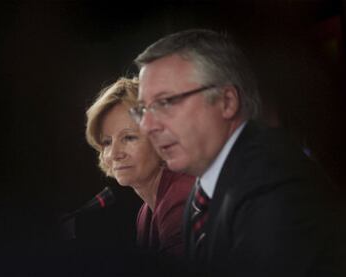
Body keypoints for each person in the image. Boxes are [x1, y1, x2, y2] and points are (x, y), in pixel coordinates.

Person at [130, 29, 344, 276]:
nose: (147, 126)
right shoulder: (200, 197)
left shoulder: (274, 183)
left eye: (165, 102)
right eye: (143, 110)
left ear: (227, 102)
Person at [85, 77, 195, 261]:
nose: (114, 154)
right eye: (106, 142)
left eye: (128, 138)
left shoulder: (181, 197)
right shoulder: (145, 214)